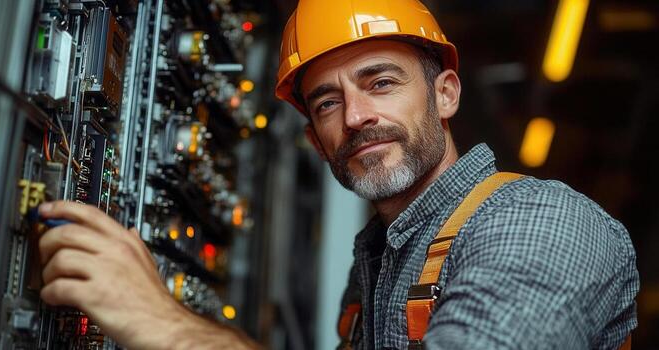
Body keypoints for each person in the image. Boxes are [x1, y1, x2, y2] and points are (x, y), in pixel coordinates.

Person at [37, 0, 639, 349]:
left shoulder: (540, 225)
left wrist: (166, 326)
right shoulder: (375, 269)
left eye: (381, 82)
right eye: (327, 102)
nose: (356, 117)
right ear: (313, 140)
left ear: (447, 94)